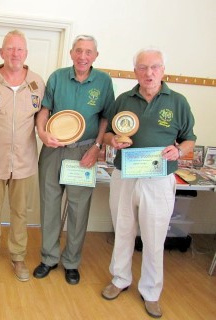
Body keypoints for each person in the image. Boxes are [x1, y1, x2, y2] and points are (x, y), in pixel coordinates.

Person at [101, 47, 196, 318]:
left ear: (163, 70)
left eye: (154, 67)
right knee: (122, 229)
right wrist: (113, 140)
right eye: (143, 67)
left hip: (159, 179)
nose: (149, 72)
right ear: (135, 72)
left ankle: (151, 292)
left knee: (154, 237)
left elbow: (189, 139)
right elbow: (108, 134)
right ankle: (119, 279)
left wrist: (179, 151)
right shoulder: (123, 99)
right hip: (124, 175)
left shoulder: (178, 101)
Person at [33, 35, 114, 285]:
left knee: (79, 209)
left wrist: (97, 147)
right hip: (54, 149)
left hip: (84, 152)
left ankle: (71, 262)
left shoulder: (103, 82)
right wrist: (43, 133)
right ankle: (48, 258)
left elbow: (105, 118)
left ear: (95, 56)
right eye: (79, 51)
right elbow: (44, 110)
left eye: (88, 52)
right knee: (49, 205)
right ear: (71, 53)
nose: (83, 56)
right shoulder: (57, 77)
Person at [0, 30, 45, 282]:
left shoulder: (36, 82)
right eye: (10, 49)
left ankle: (18, 256)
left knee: (20, 211)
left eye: (20, 49)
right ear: (1, 52)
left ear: (26, 54)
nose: (15, 54)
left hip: (24, 161)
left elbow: (42, 118)